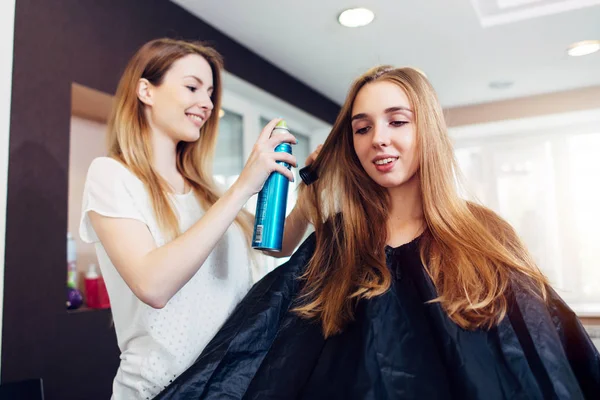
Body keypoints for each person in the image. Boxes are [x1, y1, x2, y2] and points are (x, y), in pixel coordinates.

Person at [156, 66, 600, 399]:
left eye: (397, 121)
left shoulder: (483, 235)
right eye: (362, 128)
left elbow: (541, 361)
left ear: (427, 130)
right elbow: (256, 351)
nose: (377, 139)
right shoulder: (335, 244)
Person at [78, 38, 313, 399]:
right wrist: (242, 188)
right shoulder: (111, 176)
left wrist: (309, 197)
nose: (206, 103)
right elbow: (153, 285)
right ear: (146, 91)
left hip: (228, 385)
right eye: (192, 87)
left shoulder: (208, 193)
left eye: (210, 93)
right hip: (159, 391)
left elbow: (274, 245)